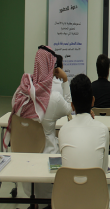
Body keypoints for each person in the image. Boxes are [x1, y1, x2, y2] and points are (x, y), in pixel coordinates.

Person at [4, 46, 72, 208]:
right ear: (51, 67)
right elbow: (71, 110)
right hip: (48, 168)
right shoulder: (53, 99)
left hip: (24, 167)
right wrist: (65, 81)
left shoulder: (20, 94)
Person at [58, 74, 110, 207]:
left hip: (67, 203)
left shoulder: (63, 131)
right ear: (93, 101)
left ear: (72, 106)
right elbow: (102, 172)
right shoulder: (103, 130)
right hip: (95, 202)